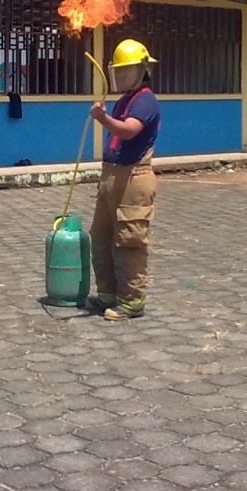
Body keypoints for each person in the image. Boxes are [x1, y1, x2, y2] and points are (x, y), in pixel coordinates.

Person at [87, 39, 161, 321]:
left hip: (133, 178)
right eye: (117, 70)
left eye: (126, 69)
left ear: (142, 69)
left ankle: (132, 301)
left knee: (129, 240)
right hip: (112, 176)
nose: (120, 75)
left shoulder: (145, 100)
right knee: (101, 237)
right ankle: (108, 294)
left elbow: (129, 131)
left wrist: (103, 119)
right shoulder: (124, 100)